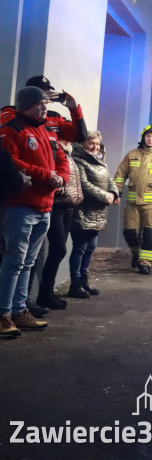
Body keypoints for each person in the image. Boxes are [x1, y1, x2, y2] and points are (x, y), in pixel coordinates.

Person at [0, 86, 70, 337]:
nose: (45, 107)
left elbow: (62, 159)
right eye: (40, 103)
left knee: (28, 262)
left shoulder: (47, 132)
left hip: (45, 207)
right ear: (25, 105)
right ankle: (3, 314)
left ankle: (20, 310)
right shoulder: (12, 130)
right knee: (14, 261)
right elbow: (9, 162)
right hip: (21, 205)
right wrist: (45, 176)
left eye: (45, 103)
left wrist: (61, 178)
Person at [113, 125, 152, 275]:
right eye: (148, 136)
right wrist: (117, 192)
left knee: (148, 235)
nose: (150, 139)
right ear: (143, 137)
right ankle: (136, 253)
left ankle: (145, 263)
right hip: (132, 203)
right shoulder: (132, 155)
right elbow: (120, 175)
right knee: (129, 233)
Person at [34, 140, 83, 309]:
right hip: (57, 205)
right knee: (58, 249)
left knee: (57, 250)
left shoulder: (68, 152)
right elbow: (56, 175)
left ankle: (47, 294)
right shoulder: (53, 149)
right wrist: (61, 188)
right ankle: (43, 294)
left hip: (68, 206)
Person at [69, 131, 117, 298]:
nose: (95, 147)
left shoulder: (100, 160)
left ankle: (84, 281)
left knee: (90, 247)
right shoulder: (78, 160)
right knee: (80, 248)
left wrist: (113, 192)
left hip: (97, 210)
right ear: (83, 144)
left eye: (97, 144)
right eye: (91, 143)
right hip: (83, 210)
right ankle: (75, 283)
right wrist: (106, 196)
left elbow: (110, 179)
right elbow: (84, 184)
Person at [0, 75, 87, 143]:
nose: (45, 95)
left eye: (47, 91)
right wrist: (35, 101)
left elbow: (79, 136)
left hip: (51, 162)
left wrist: (74, 109)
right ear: (27, 93)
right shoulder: (9, 111)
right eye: (41, 91)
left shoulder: (55, 117)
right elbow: (13, 128)